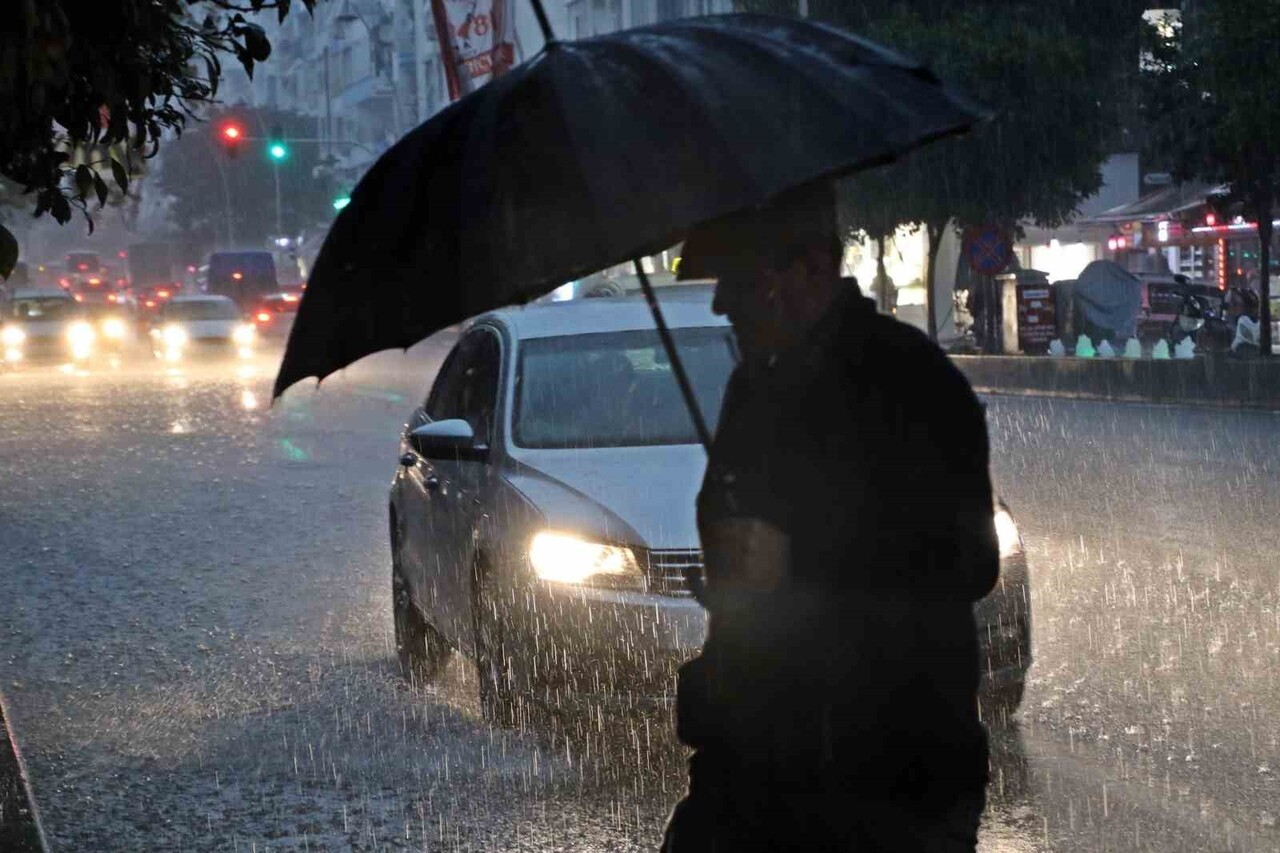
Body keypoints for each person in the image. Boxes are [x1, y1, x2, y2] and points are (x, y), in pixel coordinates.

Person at [661, 181, 999, 852]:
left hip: (890, 784)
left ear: (812, 268)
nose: (721, 301)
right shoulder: (752, 389)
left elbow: (967, 559)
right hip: (756, 770)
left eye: (739, 279)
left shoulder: (913, 383)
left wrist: (801, 560)